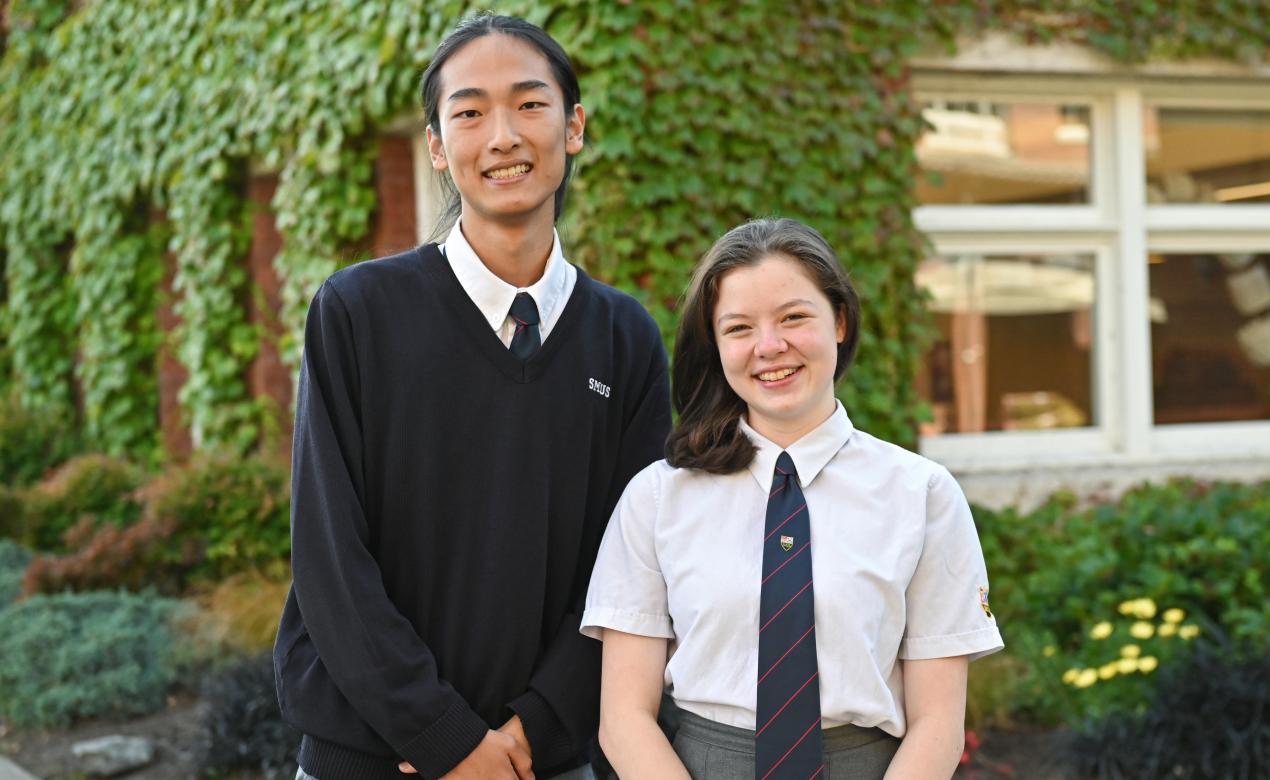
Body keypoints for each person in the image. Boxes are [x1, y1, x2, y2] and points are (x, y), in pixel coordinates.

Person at [274, 13, 672, 780]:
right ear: (435, 147)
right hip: (374, 758)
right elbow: (329, 555)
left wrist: (531, 732)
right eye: (468, 112)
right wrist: (444, 737)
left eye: (530, 105)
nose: (502, 137)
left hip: (542, 761)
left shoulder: (624, 338)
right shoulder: (359, 312)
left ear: (574, 126)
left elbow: (629, 569)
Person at [580, 218, 1003, 779]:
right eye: (738, 328)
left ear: (841, 321)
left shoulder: (922, 495)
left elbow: (938, 725)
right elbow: (625, 718)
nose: (770, 347)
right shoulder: (657, 499)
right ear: (716, 345)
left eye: (794, 317)